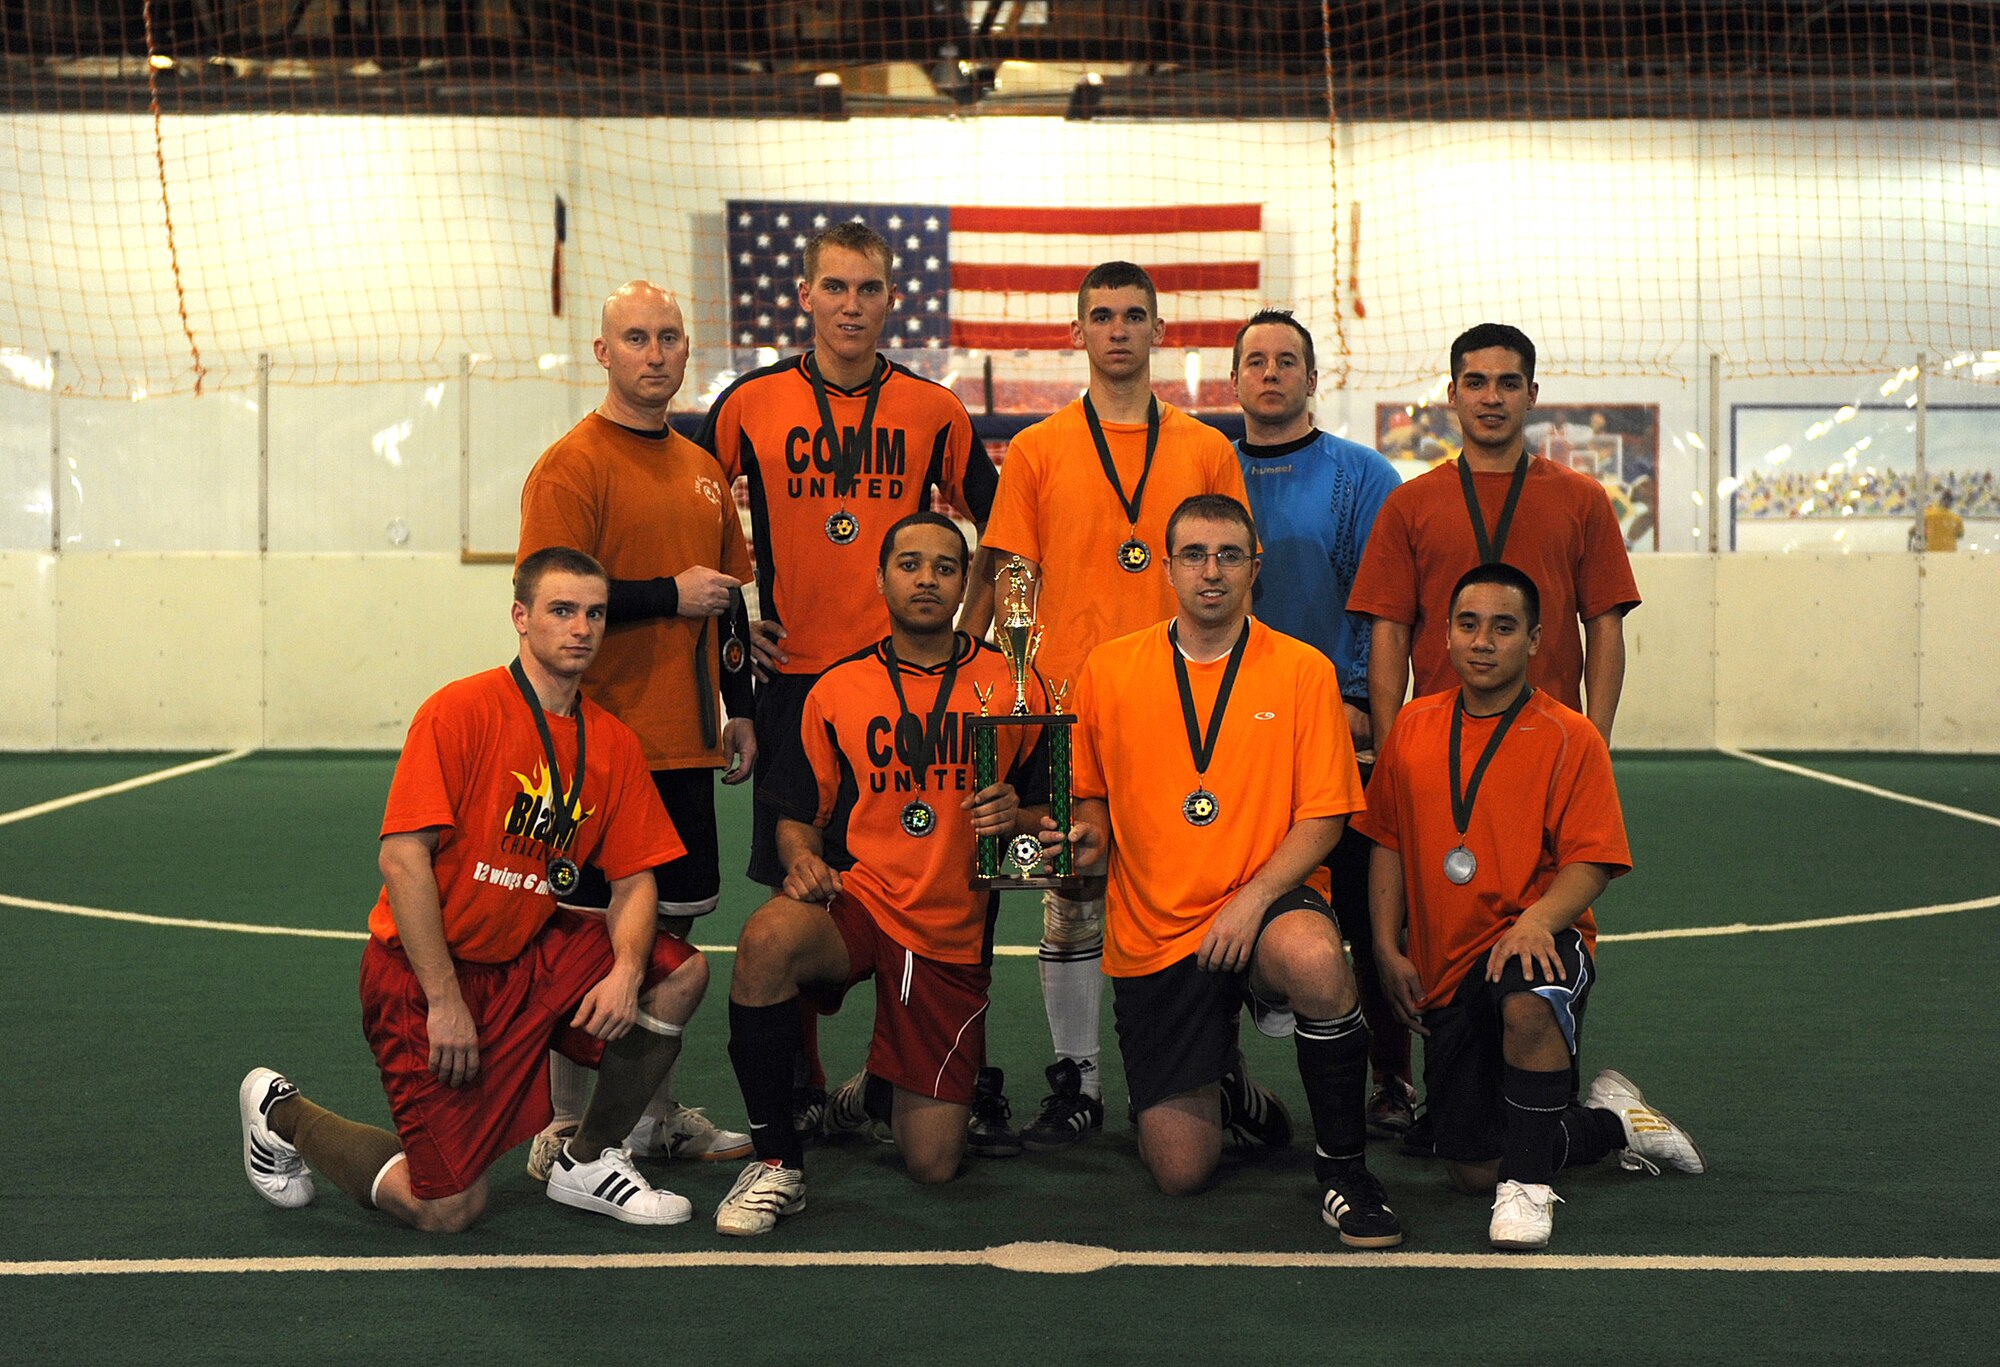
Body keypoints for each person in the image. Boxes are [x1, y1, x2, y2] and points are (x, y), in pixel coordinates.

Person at [237, 548, 710, 1233]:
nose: (581, 627)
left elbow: (637, 879)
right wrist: (444, 999)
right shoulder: (460, 711)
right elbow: (403, 861)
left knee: (678, 973)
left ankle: (586, 1157)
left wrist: (627, 968)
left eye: (595, 613)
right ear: (521, 617)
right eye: (562, 610)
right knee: (447, 1207)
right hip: (425, 976)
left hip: (527, 957)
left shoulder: (611, 742)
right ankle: (280, 1111)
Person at [697, 221, 1002, 1135]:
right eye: (835, 287)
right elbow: (702, 540)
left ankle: (945, 1069)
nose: (852, 306)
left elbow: (1003, 533)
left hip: (910, 689)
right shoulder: (746, 403)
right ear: (803, 297)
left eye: (869, 289)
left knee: (945, 875)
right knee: (803, 889)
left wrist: (976, 644)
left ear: (892, 300)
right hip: (795, 685)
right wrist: (736, 645)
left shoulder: (935, 409)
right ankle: (802, 1086)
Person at [1048, 493, 1403, 1246]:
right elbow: (1093, 802)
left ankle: (1345, 1173)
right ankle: (1232, 1089)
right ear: (1168, 566)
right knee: (1180, 1170)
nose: (1212, 571)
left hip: (1265, 900)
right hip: (1157, 930)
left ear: (1254, 567)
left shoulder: (1303, 671)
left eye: (1229, 555)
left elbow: (1326, 816)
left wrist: (1255, 898)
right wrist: (1084, 844)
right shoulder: (1107, 670)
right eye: (1195, 555)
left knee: (1311, 955)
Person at [714, 513, 1047, 1235]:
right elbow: (798, 813)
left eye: (945, 567)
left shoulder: (1016, 683)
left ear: (967, 584)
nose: (927, 578)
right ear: (881, 577)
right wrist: (802, 859)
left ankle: (874, 1097)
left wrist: (1016, 816)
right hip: (860, 900)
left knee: (933, 1163)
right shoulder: (836, 688)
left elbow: (1052, 827)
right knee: (767, 938)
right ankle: (776, 1162)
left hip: (949, 928)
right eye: (910, 563)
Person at [981, 262, 1252, 1149]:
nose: (1119, 330)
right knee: (1071, 881)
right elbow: (1012, 579)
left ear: (1160, 330)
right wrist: (994, 686)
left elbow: (1237, 571)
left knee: (1186, 882)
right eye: (1102, 315)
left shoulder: (1206, 447)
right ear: (1077, 333)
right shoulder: (1038, 447)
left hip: (1179, 703)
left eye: (1135, 315)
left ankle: (1194, 1073)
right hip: (1065, 705)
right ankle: (1079, 1080)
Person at [1358, 562, 1705, 1250]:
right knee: (1468, 1165)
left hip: (1541, 937)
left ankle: (1529, 1190)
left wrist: (1539, 917)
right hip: (1446, 967)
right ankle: (1614, 1123)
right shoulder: (1412, 729)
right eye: (1467, 624)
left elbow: (1594, 859)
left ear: (1537, 640)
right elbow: (1388, 842)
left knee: (1528, 996)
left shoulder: (1571, 737)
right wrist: (1385, 944)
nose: (1483, 641)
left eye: (1503, 626)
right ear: (1446, 636)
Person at [516, 280, 755, 1179]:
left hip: (689, 747)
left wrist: (743, 713)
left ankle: (650, 1114)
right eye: (636, 339)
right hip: (594, 754)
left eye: (669, 339)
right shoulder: (570, 466)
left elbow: (725, 599)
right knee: (583, 944)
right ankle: (563, 1125)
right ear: (602, 353)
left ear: (687, 353)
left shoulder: (699, 466)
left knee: (670, 945)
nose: (655, 354)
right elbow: (554, 603)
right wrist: (667, 596)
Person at [1229, 308, 1416, 1140]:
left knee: (1371, 914)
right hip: (1224, 742)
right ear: (1234, 379)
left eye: (1286, 361)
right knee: (1219, 903)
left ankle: (1390, 1079)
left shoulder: (1363, 476)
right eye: (1255, 360)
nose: (1270, 373)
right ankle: (1218, 1082)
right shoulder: (1205, 466)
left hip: (1340, 734)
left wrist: (1366, 712)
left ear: (1313, 378)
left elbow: (1386, 613)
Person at [1350, 323, 1640, 751]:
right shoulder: (1407, 505)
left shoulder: (1584, 500)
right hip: (1438, 741)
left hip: (1550, 739)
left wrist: (1595, 741)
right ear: (1452, 395)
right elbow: (1390, 635)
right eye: (1475, 383)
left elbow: (1604, 627)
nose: (1491, 398)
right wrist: (1392, 746)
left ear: (1532, 394)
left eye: (1508, 383)